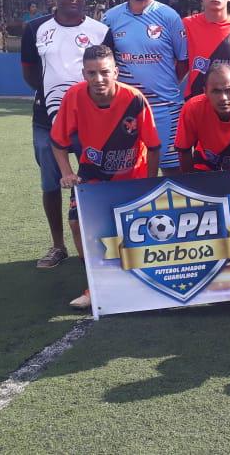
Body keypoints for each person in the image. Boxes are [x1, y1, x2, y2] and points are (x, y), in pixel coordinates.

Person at [51, 45, 160, 309]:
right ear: (83, 74)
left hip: (132, 176)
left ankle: (144, 282)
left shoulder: (134, 99)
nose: (98, 79)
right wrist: (66, 172)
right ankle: (94, 283)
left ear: (116, 72)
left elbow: (154, 147)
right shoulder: (74, 96)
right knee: (77, 223)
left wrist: (149, 183)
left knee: (133, 231)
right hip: (93, 174)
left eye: (104, 72)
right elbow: (57, 141)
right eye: (91, 73)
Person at [20, 0, 113, 269]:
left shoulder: (101, 30)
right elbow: (30, 73)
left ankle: (104, 243)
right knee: (51, 183)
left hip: (92, 121)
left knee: (98, 179)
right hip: (47, 120)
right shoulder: (35, 29)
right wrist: (54, 98)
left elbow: (109, 74)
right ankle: (58, 246)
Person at [102, 0, 189, 176]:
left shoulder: (169, 17)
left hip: (166, 107)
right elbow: (105, 61)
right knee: (127, 171)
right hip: (127, 109)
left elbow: (183, 61)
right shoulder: (110, 18)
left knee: (173, 171)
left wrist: (163, 85)